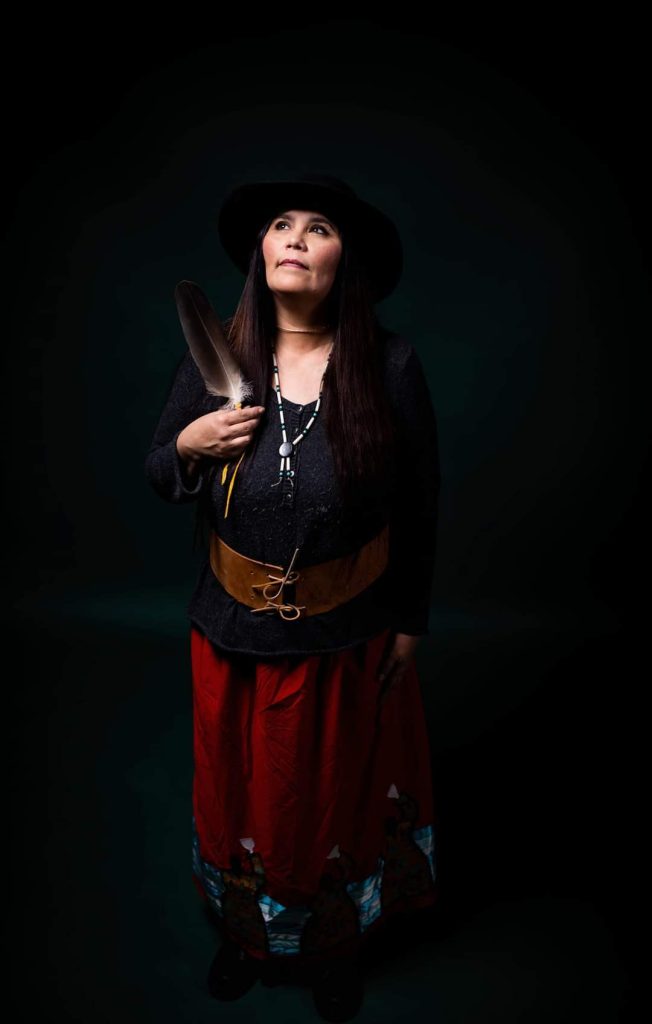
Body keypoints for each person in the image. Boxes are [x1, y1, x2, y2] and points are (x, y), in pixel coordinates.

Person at [144, 172, 441, 1022]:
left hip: (346, 631)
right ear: (260, 252)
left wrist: (411, 621)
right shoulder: (218, 361)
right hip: (232, 629)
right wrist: (191, 443)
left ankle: (334, 944)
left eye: (320, 228)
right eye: (282, 224)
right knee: (244, 792)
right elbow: (160, 471)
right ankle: (247, 937)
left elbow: (420, 503)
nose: (297, 238)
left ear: (346, 261)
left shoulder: (389, 365)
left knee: (333, 795)